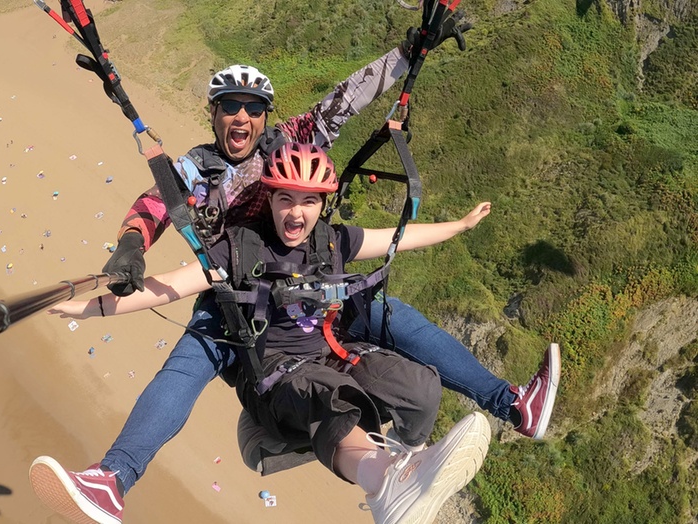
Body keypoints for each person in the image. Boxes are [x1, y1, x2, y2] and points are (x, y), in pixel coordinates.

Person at [30, 28, 559, 523]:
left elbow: (347, 99)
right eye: (230, 107)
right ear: (213, 114)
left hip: (306, 284)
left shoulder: (284, 147)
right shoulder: (196, 168)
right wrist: (130, 243)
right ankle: (113, 480)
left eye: (252, 108)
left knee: (392, 316)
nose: (241, 117)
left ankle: (512, 405)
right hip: (232, 298)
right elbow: (156, 200)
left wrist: (409, 52)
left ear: (264, 117)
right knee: (184, 369)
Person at [34, 143, 493, 524]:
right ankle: (383, 481)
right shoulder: (238, 249)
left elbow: (399, 237)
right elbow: (168, 288)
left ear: (322, 205)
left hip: (331, 352)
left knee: (421, 386)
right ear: (269, 199)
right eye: (285, 199)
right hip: (273, 376)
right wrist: (90, 309)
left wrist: (461, 225)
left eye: (309, 200)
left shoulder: (332, 242)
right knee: (329, 394)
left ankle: (409, 462)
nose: (296, 212)